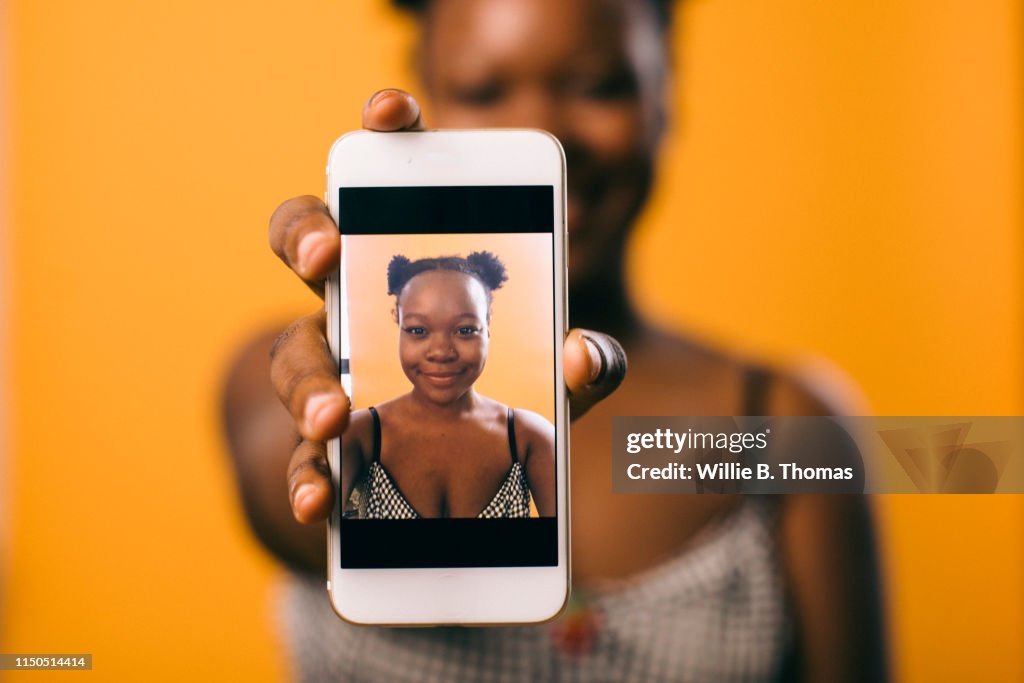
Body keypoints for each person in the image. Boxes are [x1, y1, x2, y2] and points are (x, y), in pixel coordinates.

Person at [222, 0, 887, 680]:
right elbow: (286, 492)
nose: (544, 130)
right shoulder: (299, 377)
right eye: (484, 91)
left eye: (599, 84)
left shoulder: (791, 429)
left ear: (666, 95)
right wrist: (334, 426)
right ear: (428, 100)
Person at [342, 252, 556, 519]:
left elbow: (575, 552)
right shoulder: (358, 435)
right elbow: (312, 543)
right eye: (418, 331)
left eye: (465, 330)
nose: (441, 352)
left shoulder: (529, 438)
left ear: (487, 328)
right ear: (399, 328)